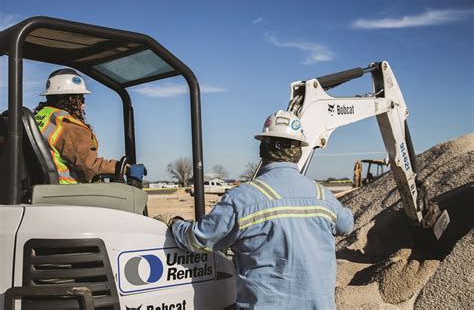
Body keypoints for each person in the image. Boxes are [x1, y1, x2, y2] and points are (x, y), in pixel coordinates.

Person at [160, 110, 354, 309]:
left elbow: (198, 240)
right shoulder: (323, 196)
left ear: (263, 147)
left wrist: (175, 223)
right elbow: (347, 224)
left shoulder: (242, 199)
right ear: (298, 151)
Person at [34, 68, 146, 184]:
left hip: (42, 188)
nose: (83, 104)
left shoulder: (39, 117)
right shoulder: (67, 126)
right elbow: (89, 167)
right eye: (81, 98)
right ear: (70, 99)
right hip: (67, 192)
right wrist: (125, 168)